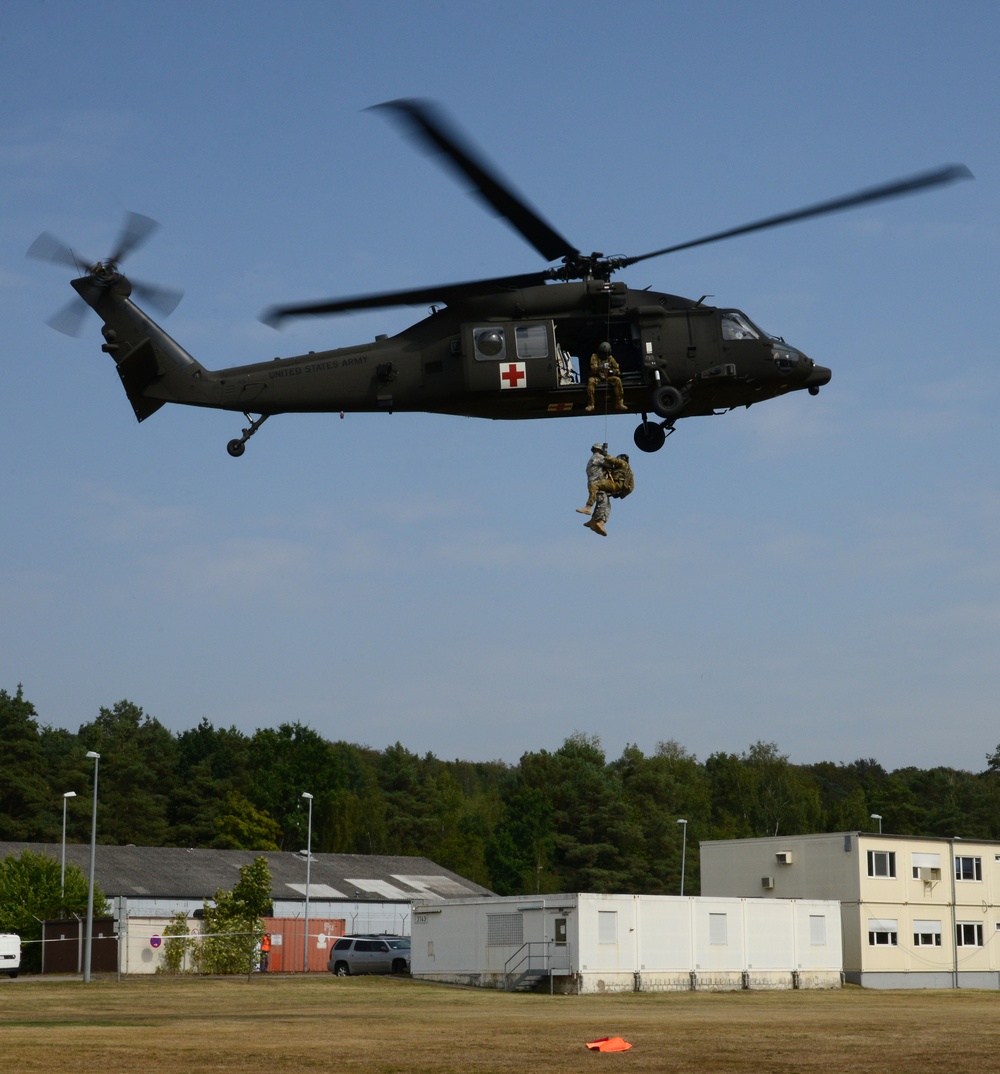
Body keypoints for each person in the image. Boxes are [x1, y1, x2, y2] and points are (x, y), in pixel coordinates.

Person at [581, 451, 634, 537]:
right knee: (603, 498)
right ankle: (595, 520)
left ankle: (588, 506)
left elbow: (610, 459)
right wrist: (620, 494)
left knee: (595, 485)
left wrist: (604, 454)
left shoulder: (622, 463)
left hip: (614, 485)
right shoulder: (630, 472)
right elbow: (631, 487)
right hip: (616, 487)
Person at [585, 342, 627, 413]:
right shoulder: (594, 356)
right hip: (597, 377)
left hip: (608, 377)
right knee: (590, 381)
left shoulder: (610, 358)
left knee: (617, 380)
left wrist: (612, 372)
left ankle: (619, 403)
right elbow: (593, 368)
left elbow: (617, 369)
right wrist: (601, 367)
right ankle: (591, 404)